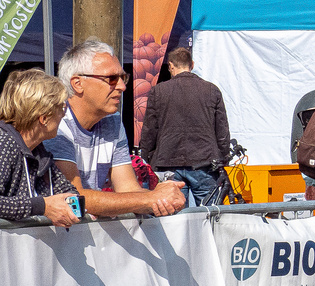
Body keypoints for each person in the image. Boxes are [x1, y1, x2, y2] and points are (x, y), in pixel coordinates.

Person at [46, 39, 186, 218]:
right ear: (77, 83)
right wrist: (150, 198)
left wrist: (163, 197)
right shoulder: (56, 123)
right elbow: (73, 198)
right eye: (111, 79)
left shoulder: (112, 121)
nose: (122, 86)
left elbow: (128, 189)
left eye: (123, 77)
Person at [137, 47, 232, 206]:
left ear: (170, 66)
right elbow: (222, 131)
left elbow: (149, 130)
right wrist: (223, 158)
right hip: (205, 162)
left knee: (175, 221)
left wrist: (146, 158)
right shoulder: (211, 90)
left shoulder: (158, 91)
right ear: (192, 64)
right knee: (211, 218)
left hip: (168, 162)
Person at [0, 69, 81, 225]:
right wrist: (42, 206)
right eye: (61, 108)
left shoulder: (39, 152)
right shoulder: (4, 143)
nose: (64, 115)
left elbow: (68, 192)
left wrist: (72, 204)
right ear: (44, 118)